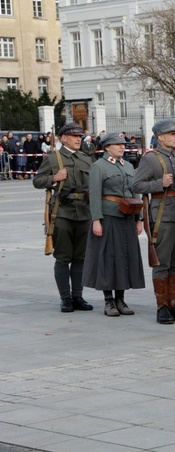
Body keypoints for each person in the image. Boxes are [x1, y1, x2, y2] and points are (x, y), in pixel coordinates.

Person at [133, 119, 175, 324]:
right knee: (162, 263)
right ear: (160, 137)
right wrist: (160, 183)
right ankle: (162, 307)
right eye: (172, 134)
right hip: (163, 217)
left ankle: (173, 303)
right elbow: (137, 185)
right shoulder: (150, 159)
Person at [82, 132, 146, 315]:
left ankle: (121, 299)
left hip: (127, 217)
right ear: (107, 147)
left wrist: (139, 218)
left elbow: (134, 192)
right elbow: (94, 196)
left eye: (123, 144)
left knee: (124, 257)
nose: (122, 147)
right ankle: (108, 301)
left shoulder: (127, 166)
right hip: (108, 217)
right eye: (117, 144)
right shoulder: (99, 167)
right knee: (108, 258)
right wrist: (96, 220)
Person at [33, 124, 94, 312]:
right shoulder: (53, 158)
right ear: (63, 138)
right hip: (62, 212)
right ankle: (65, 299)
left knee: (80, 258)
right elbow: (37, 180)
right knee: (63, 257)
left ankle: (78, 296)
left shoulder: (86, 158)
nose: (78, 139)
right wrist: (53, 178)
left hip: (84, 211)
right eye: (74, 136)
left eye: (80, 136)